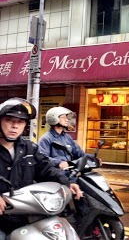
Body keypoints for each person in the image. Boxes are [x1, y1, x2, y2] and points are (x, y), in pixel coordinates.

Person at [0, 98, 83, 238]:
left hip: (25, 216)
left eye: (20, 122)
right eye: (9, 120)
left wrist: (68, 183)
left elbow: (48, 169)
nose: (15, 126)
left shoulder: (29, 148)